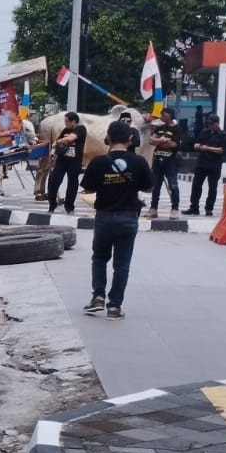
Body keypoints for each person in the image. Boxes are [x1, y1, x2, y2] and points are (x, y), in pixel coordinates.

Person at [81, 121, 151, 320]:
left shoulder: (99, 162)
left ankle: (98, 297)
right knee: (122, 264)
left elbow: (88, 188)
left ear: (108, 138)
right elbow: (148, 188)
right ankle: (114, 307)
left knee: (100, 258)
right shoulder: (139, 162)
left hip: (104, 217)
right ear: (130, 139)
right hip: (128, 218)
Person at [143, 107, 182, 220]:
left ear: (169, 115)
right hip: (158, 160)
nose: (161, 116)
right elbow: (151, 141)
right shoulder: (159, 128)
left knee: (173, 185)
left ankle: (175, 209)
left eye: (163, 114)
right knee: (156, 186)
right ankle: (153, 209)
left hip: (171, 161)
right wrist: (162, 141)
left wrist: (159, 142)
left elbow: (173, 144)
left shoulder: (177, 128)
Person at [185, 113, 226, 216]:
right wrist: (197, 146)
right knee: (196, 185)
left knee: (212, 187)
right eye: (209, 124)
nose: (210, 126)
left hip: (214, 164)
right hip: (202, 163)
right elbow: (198, 142)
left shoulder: (223, 135)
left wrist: (208, 148)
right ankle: (194, 207)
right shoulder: (204, 132)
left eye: (212, 124)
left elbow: (222, 150)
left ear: (217, 123)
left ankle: (209, 208)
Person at [46, 111, 86, 215]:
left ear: (73, 121)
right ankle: (52, 204)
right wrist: (53, 151)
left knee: (72, 184)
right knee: (54, 181)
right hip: (62, 160)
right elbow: (56, 141)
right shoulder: (65, 130)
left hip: (74, 161)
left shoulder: (80, 129)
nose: (65, 123)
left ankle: (69, 206)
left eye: (67, 121)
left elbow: (70, 139)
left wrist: (61, 141)